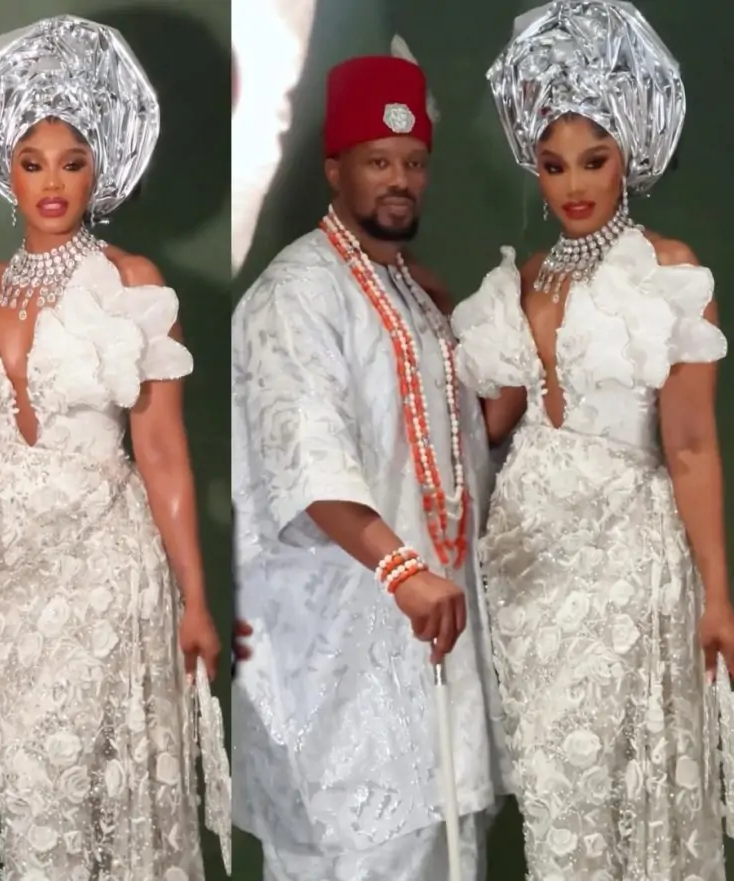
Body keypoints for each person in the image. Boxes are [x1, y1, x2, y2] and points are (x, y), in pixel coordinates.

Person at [0, 17, 228, 881]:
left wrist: (195, 599)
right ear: (6, 169)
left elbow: (163, 453)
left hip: (101, 569)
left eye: (72, 161)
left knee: (87, 793)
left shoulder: (132, 282)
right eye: (32, 162)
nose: (52, 182)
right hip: (0, 574)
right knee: (29, 804)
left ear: (101, 169)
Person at [452, 1, 734, 877]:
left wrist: (718, 593)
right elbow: (496, 421)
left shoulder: (670, 273)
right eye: (553, 165)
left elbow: (691, 446)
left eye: (593, 160)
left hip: (624, 565)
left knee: (614, 782)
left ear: (629, 158)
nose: (573, 184)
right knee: (552, 798)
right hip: (526, 566)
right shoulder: (524, 280)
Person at [231, 45, 512, 881]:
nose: (400, 181)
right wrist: (402, 569)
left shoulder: (413, 295)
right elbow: (307, 454)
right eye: (378, 161)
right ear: (335, 168)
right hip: (338, 657)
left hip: (433, 649)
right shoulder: (298, 292)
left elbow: (448, 450)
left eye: (414, 162)